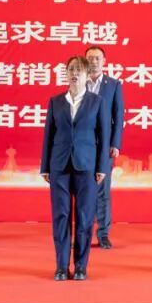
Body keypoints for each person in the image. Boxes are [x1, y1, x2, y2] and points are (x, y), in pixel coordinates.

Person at [41, 56, 109, 281]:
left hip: (87, 166)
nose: (74, 74)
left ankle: (80, 266)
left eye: (79, 70)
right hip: (59, 166)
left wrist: (102, 167)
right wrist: (45, 166)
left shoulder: (97, 102)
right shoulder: (55, 101)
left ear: (87, 74)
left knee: (84, 217)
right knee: (61, 215)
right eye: (71, 70)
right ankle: (61, 266)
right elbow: (48, 135)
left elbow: (104, 137)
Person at [85, 45, 124, 250]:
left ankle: (103, 233)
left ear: (104, 61)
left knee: (103, 191)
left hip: (104, 145)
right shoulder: (78, 82)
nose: (93, 62)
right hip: (82, 144)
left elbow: (118, 116)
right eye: (90, 58)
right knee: (83, 190)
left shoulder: (113, 85)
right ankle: (83, 233)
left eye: (97, 58)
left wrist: (115, 143)